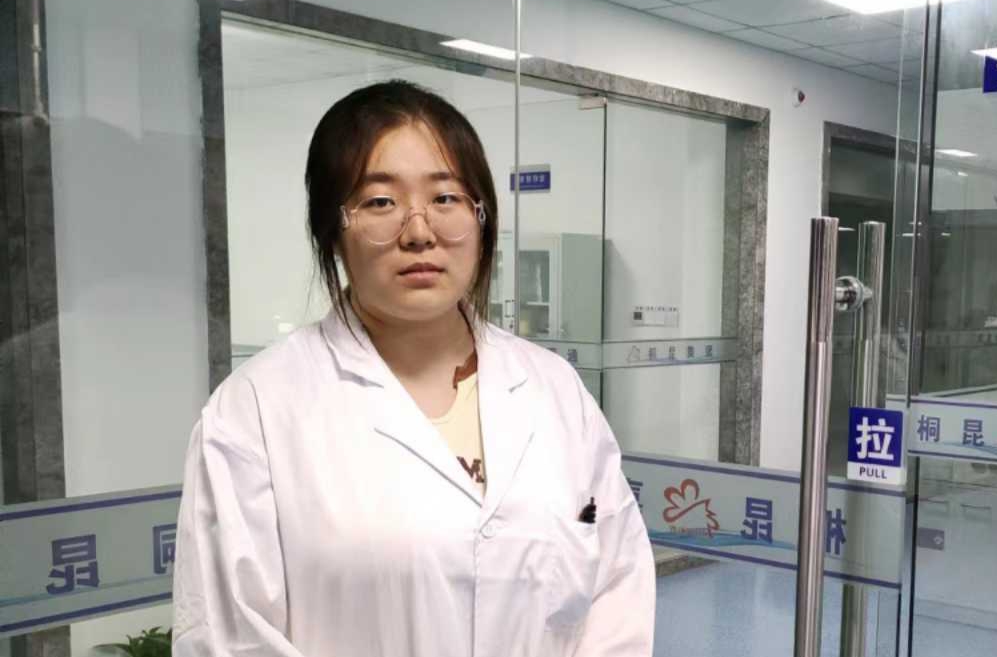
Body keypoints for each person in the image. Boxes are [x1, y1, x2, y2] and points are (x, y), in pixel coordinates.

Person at [171, 80, 655, 656]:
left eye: (446, 198)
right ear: (333, 230)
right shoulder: (255, 411)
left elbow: (618, 592)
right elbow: (228, 638)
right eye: (380, 203)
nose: (420, 232)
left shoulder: (555, 389)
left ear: (481, 218)